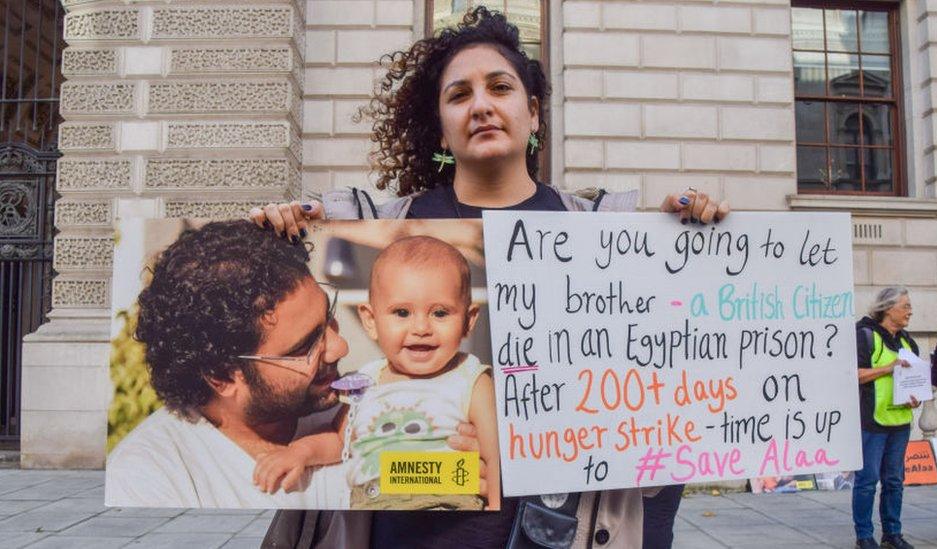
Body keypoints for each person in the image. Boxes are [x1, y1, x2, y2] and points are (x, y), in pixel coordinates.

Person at [252, 7, 728, 548]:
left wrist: (688, 247)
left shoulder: (605, 235)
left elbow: (663, 386)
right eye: (459, 95)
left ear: (532, 112)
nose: (480, 105)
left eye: (499, 88)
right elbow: (330, 427)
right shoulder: (384, 225)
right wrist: (280, 237)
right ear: (440, 125)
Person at [105, 221, 481, 514]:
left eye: (329, 319)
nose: (340, 346)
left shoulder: (365, 403)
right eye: (305, 347)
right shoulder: (151, 476)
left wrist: (463, 469)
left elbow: (401, 484)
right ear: (221, 376)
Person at [252, 235, 500, 511]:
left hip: (446, 504)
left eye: (440, 313)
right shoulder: (367, 381)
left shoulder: (471, 379)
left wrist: (496, 509)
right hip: (370, 508)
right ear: (370, 320)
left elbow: (495, 455)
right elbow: (342, 440)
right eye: (402, 313)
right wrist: (299, 453)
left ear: (468, 321)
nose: (421, 328)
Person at [852, 286, 922, 549]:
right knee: (867, 481)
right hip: (872, 421)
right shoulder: (865, 336)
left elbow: (915, 380)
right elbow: (854, 374)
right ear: (888, 308)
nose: (910, 311)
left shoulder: (907, 341)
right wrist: (887, 369)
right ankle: (864, 536)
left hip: (900, 422)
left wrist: (916, 397)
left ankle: (892, 533)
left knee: (894, 481)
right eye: (905, 306)